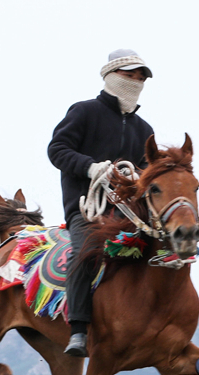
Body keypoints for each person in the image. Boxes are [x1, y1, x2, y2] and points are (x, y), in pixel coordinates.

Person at [48, 48, 156, 357]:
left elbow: (147, 170)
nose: (135, 81)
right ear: (110, 75)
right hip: (87, 209)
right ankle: (78, 329)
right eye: (129, 75)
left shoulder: (144, 130)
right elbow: (57, 149)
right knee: (86, 252)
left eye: (141, 77)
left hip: (127, 214)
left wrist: (137, 176)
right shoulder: (84, 112)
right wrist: (90, 167)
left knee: (161, 250)